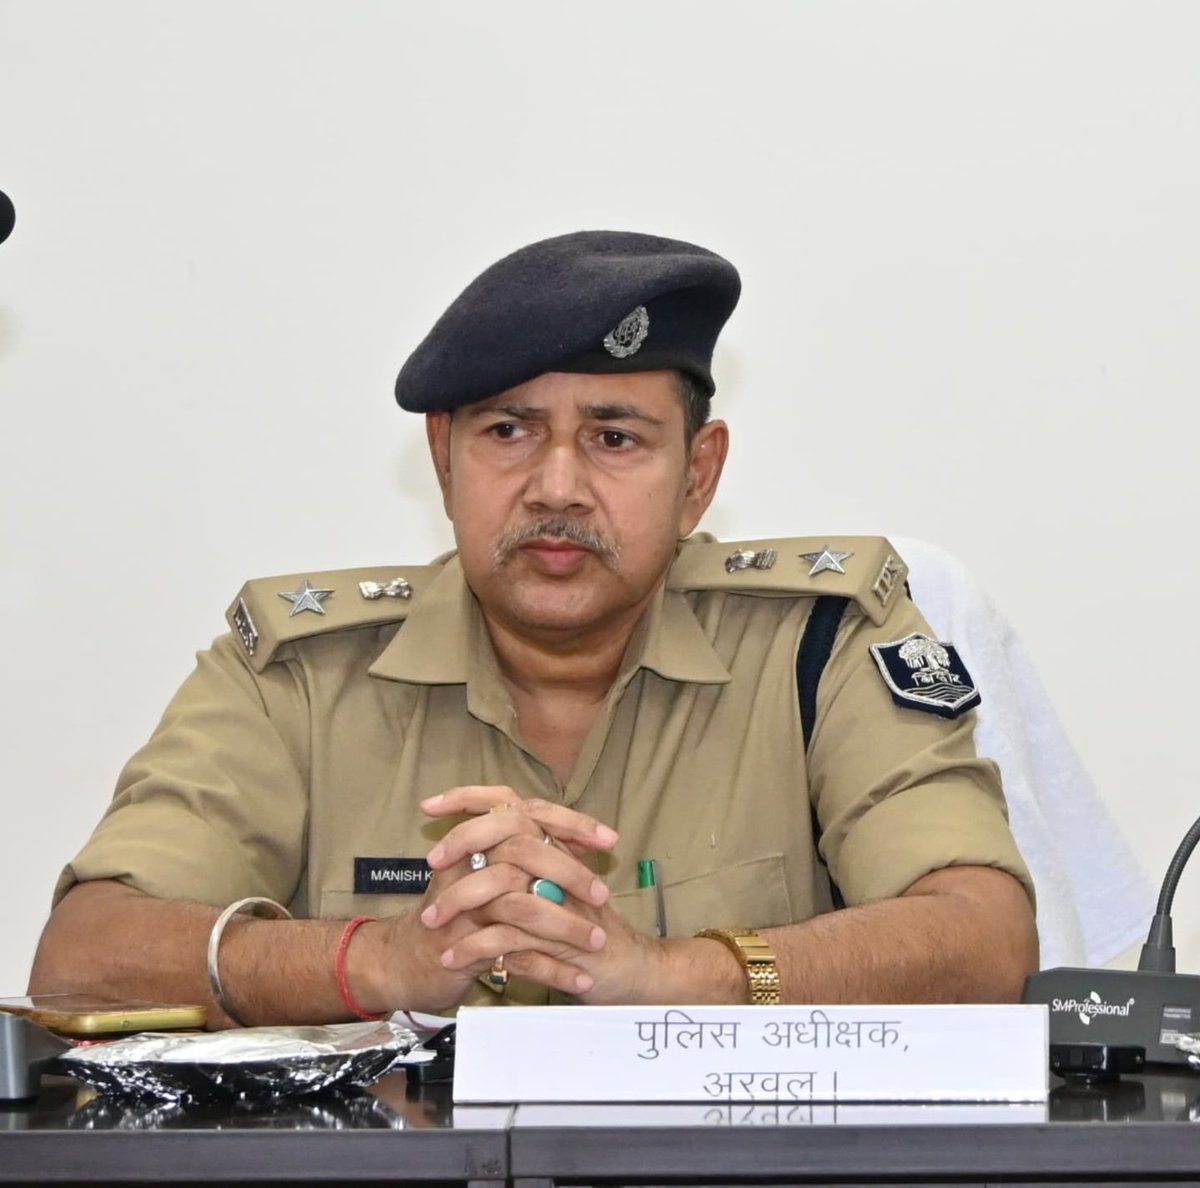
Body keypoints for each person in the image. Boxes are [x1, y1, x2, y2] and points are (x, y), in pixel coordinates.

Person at [29, 231, 1037, 1025]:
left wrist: (678, 976)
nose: (557, 486)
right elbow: (82, 958)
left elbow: (986, 941)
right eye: (508, 432)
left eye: (614, 438)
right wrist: (375, 964)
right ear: (443, 459)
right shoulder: (296, 673)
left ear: (698, 475)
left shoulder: (816, 647)